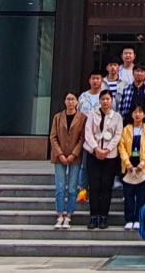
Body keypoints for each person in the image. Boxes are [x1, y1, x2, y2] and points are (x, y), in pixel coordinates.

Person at [83, 89, 123, 230]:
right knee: (94, 186)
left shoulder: (117, 117)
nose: (105, 101)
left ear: (112, 101)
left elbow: (118, 135)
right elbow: (88, 133)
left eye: (108, 99)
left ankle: (103, 216)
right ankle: (93, 216)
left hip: (109, 156)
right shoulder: (92, 114)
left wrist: (107, 150)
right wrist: (96, 149)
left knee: (106, 186)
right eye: (103, 99)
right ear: (99, 101)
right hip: (93, 155)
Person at [49, 91, 85, 229]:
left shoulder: (82, 118)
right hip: (59, 156)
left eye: (73, 99)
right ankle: (59, 215)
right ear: (65, 101)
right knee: (60, 187)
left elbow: (82, 138)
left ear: (77, 102)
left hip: (74, 157)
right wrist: (60, 154)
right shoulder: (58, 117)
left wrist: (74, 154)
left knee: (72, 188)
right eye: (68, 99)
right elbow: (53, 137)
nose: (70, 102)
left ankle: (69, 215)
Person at [118, 104, 145, 230]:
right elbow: (121, 147)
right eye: (135, 112)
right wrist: (127, 163)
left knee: (141, 196)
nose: (137, 114)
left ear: (144, 114)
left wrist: (143, 162)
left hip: (142, 167)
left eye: (140, 112)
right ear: (131, 114)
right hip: (128, 166)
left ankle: (139, 220)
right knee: (128, 195)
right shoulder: (126, 129)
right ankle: (129, 219)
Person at [75, 71, 104, 203]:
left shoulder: (105, 96)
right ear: (89, 80)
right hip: (85, 135)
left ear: (102, 80)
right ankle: (82, 191)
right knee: (84, 165)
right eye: (93, 78)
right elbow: (78, 114)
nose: (95, 81)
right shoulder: (83, 97)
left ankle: (97, 191)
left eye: (98, 78)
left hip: (101, 136)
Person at [119, 64, 145, 128]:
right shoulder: (126, 89)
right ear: (133, 73)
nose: (139, 73)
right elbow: (121, 109)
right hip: (128, 126)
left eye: (142, 71)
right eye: (137, 71)